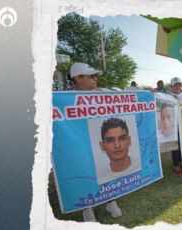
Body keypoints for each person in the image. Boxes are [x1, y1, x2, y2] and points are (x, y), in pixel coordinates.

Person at [68, 62, 122, 222]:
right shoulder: (63, 98)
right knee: (84, 175)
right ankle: (87, 208)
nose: (96, 78)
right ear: (77, 78)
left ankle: (110, 202)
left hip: (101, 143)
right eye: (91, 76)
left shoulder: (103, 93)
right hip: (79, 145)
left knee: (106, 172)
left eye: (96, 75)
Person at [168, 77, 182, 174]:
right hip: (172, 124)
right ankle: (176, 164)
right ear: (171, 87)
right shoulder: (167, 96)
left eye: (178, 85)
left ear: (181, 86)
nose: (177, 87)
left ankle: (181, 161)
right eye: (175, 85)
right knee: (174, 145)